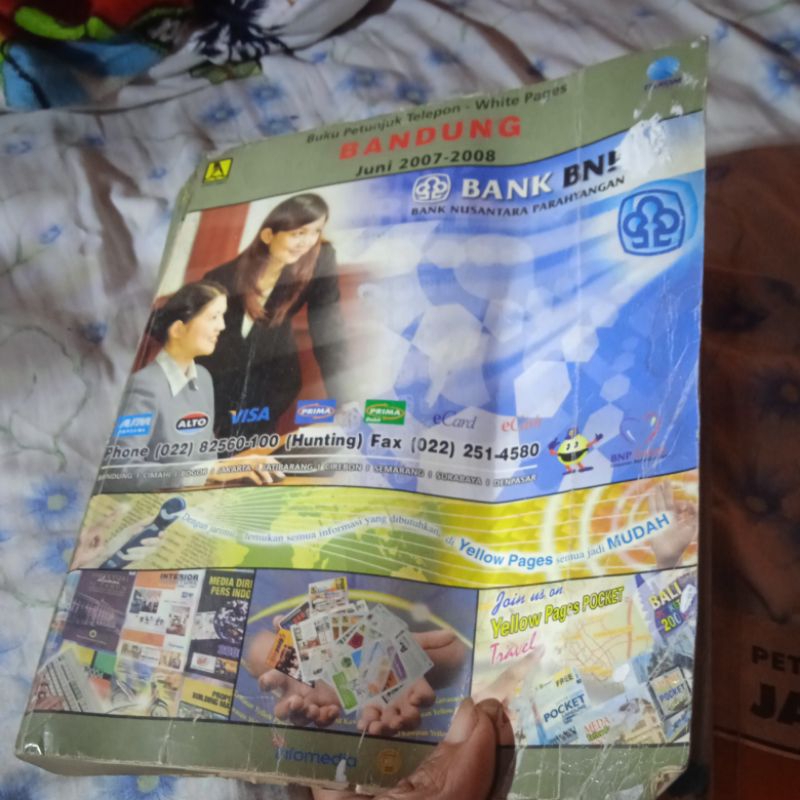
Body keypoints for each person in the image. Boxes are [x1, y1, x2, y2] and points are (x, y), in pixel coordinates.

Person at [200, 193, 347, 438]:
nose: (307, 242)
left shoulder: (320, 258)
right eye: (298, 233)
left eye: (315, 231)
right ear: (268, 235)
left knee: (250, 448)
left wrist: (345, 398)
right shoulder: (221, 278)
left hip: (274, 382)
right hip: (218, 384)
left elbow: (328, 326)